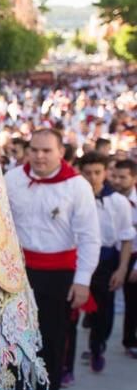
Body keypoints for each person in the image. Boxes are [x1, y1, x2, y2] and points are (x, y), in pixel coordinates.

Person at [3, 129, 99, 390]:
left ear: (61, 153)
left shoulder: (77, 187)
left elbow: (89, 237)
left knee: (53, 338)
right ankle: (16, 386)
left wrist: (82, 281)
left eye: (46, 151)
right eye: (34, 149)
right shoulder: (13, 179)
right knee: (13, 334)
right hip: (17, 271)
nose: (39, 156)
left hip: (59, 273)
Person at [75, 152, 133, 375]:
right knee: (72, 309)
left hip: (106, 258)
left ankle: (97, 346)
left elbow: (126, 238)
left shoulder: (118, 202)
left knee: (103, 309)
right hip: (77, 257)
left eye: (97, 172)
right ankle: (64, 362)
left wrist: (122, 268)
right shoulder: (75, 197)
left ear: (106, 172)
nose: (92, 178)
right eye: (87, 173)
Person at [109, 158, 137, 358]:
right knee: (103, 298)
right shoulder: (108, 199)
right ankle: (97, 340)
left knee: (133, 301)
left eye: (123, 177)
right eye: (115, 176)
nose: (118, 181)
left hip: (134, 255)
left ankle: (130, 340)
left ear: (134, 178)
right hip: (110, 254)